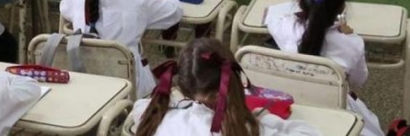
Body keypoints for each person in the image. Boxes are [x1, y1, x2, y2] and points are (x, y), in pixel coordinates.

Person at [265, 0, 382, 136]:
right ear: (342, 6)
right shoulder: (351, 43)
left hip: (290, 107)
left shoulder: (285, 27)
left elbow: (271, 14)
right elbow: (359, 80)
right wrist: (349, 35)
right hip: (335, 111)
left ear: (301, 3)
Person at [131, 37, 320, 136]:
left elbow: (139, 108)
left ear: (182, 84)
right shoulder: (247, 130)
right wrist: (266, 117)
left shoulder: (156, 118)